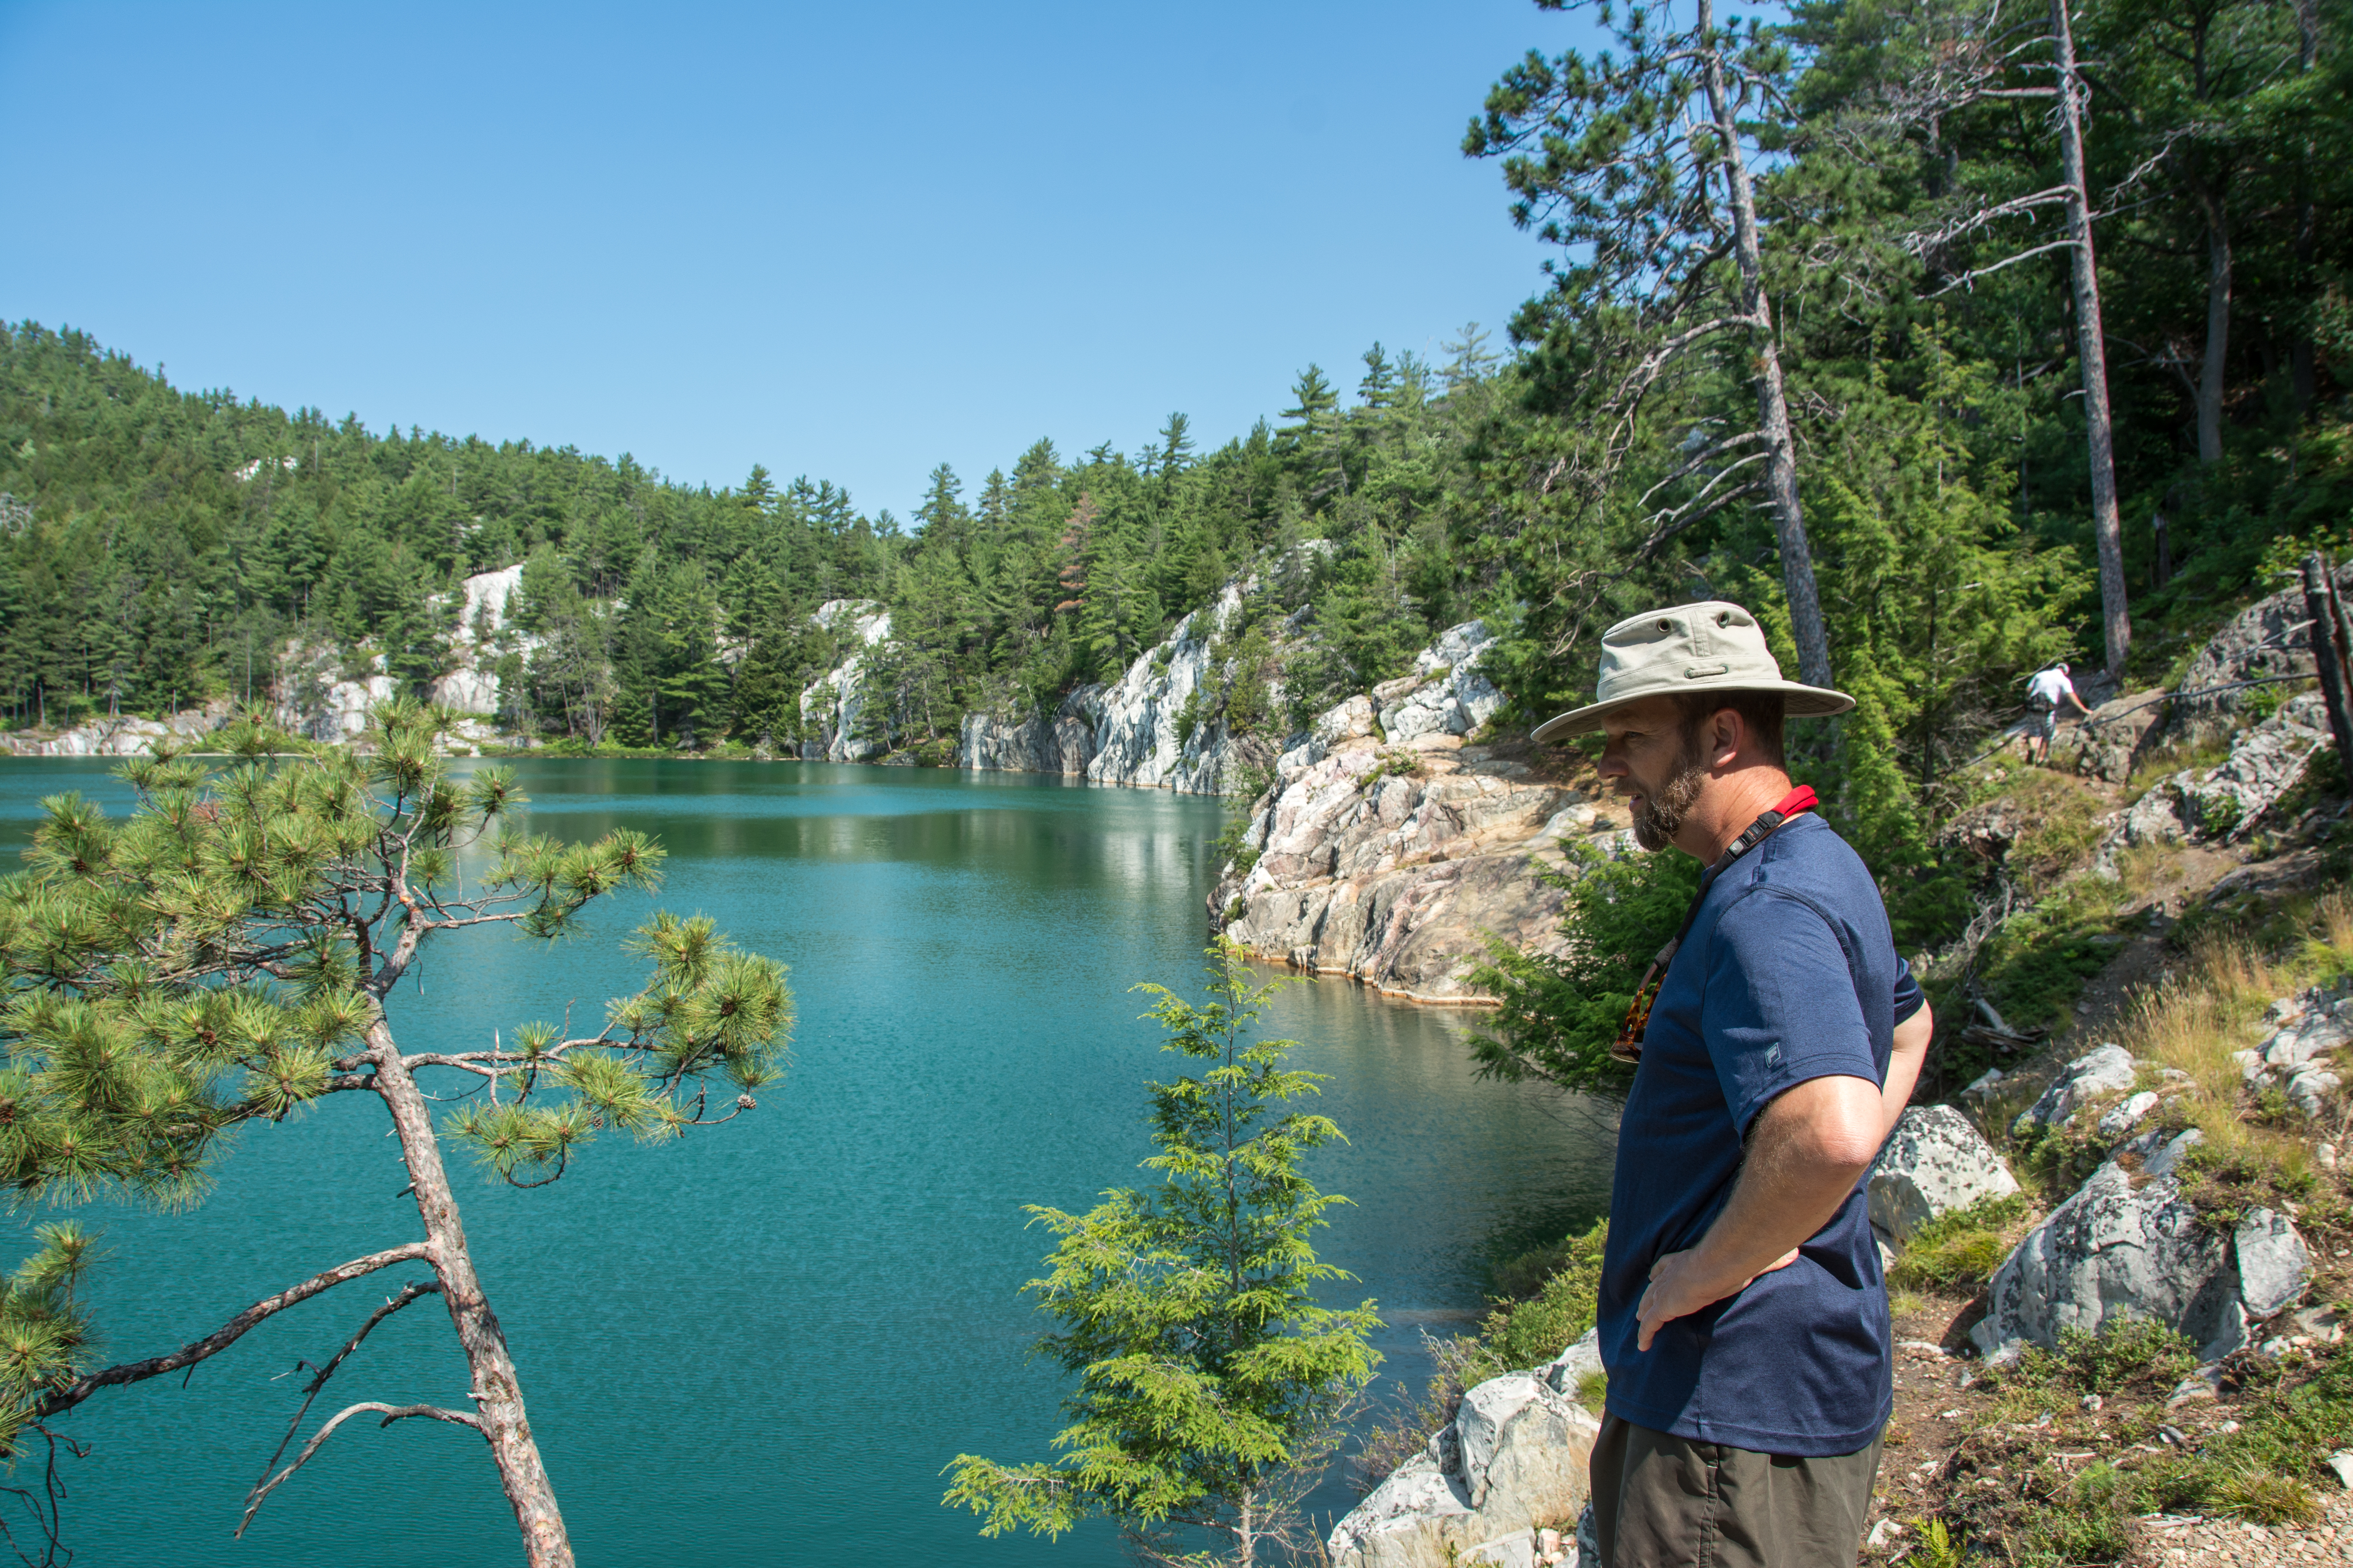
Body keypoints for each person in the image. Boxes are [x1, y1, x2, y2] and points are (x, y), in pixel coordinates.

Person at [1532, 601, 1933, 1568]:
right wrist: (1792, 1216)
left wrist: (1712, 1265)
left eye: (1629, 736)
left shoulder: (1767, 906)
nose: (1608, 765)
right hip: (1753, 1396)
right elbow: (1909, 1026)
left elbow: (1831, 1132)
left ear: (1719, 735)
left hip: (1727, 1406)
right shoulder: (1807, 863)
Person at [2023, 662, 2093, 765]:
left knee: (2034, 733)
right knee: (2048, 736)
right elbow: (2070, 695)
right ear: (2065, 672)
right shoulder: (2064, 680)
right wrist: (2083, 709)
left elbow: (2028, 689)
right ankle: (2040, 759)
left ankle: (2033, 749)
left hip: (2033, 708)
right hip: (2048, 710)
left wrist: (2027, 701)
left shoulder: (2041, 674)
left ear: (2056, 668)